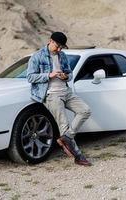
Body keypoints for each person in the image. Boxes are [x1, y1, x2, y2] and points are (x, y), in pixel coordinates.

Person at [27, 32, 92, 166]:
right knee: (64, 125)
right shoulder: (37, 56)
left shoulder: (62, 55)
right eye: (57, 46)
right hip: (51, 94)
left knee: (85, 110)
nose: (59, 49)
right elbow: (30, 77)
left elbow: (70, 73)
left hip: (66, 91)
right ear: (50, 41)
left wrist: (65, 76)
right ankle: (78, 156)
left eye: (61, 47)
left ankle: (67, 138)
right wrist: (48, 75)